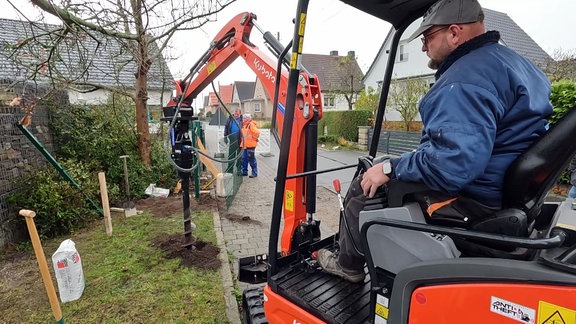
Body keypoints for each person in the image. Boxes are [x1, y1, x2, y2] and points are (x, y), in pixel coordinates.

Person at [317, 0, 553, 283]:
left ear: (454, 33)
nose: (423, 47)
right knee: (382, 167)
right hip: (505, 189)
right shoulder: (517, 65)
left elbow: (453, 165)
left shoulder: (464, 80)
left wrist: (390, 168)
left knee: (364, 188)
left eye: (428, 37)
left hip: (475, 199)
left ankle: (349, 265)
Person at [223, 108, 243, 174]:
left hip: (240, 140)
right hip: (232, 140)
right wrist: (225, 137)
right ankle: (230, 169)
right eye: (235, 113)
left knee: (239, 156)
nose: (236, 115)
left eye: (237, 114)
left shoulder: (242, 120)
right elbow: (226, 128)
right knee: (231, 155)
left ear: (240, 114)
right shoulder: (230, 119)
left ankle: (239, 170)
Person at [240, 113, 260, 178]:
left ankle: (254, 173)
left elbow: (257, 132)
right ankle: (244, 172)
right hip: (245, 145)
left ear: (246, 119)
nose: (242, 119)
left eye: (243, 118)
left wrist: (254, 138)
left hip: (250, 145)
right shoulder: (244, 125)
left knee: (251, 159)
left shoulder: (251, 125)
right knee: (244, 159)